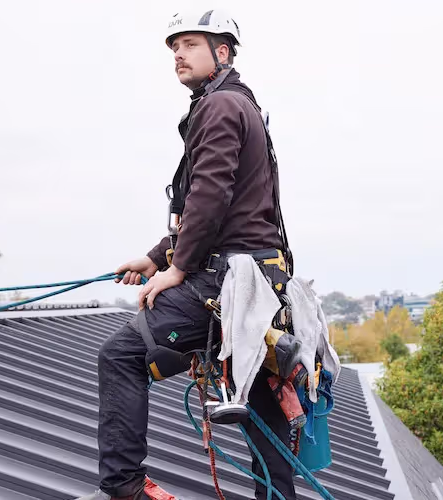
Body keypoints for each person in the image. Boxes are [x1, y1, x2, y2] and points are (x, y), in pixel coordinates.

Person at [76, 7, 298, 500]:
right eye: (174, 46)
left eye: (190, 44)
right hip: (259, 280)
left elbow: (211, 195)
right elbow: (221, 203)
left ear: (222, 52)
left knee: (121, 356)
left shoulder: (219, 108)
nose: (178, 53)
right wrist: (156, 257)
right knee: (261, 404)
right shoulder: (239, 104)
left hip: (229, 280)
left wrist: (176, 269)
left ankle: (124, 488)